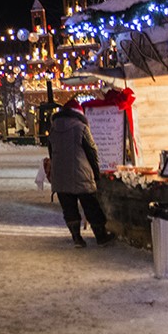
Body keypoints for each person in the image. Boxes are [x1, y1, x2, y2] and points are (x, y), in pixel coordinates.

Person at [48, 98, 116, 248]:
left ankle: (77, 238)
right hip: (81, 173)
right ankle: (101, 236)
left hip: (60, 175)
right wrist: (96, 173)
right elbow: (92, 151)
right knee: (91, 205)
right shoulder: (81, 128)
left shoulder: (53, 128)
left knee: (69, 207)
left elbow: (51, 152)